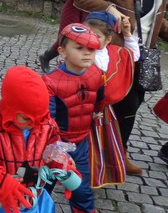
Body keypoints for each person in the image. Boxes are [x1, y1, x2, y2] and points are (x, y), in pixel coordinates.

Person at [74, 0, 168, 174]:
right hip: (115, 55)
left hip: (141, 56)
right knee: (108, 105)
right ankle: (86, 156)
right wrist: (110, 8)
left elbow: (154, 20)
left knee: (132, 105)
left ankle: (119, 153)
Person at [0, 66, 68, 213]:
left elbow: (53, 147)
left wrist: (61, 162)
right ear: (9, 108)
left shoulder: (46, 125)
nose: (34, 123)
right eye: (26, 118)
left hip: (35, 203)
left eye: (41, 116)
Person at [43, 23, 103, 213]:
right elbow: (47, 120)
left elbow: (99, 99)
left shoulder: (97, 74)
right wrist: (58, 150)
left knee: (82, 191)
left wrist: (95, 114)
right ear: (62, 51)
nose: (87, 53)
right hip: (54, 145)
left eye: (91, 49)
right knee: (40, 187)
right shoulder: (50, 82)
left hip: (81, 143)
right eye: (79, 48)